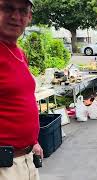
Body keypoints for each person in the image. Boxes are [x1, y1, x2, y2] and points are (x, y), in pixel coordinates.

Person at [0, 0, 43, 180]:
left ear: (29, 17)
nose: (16, 17)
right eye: (8, 8)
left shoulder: (18, 52)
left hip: (26, 159)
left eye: (23, 11)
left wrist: (33, 141)